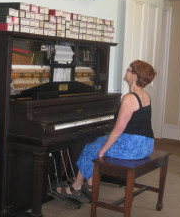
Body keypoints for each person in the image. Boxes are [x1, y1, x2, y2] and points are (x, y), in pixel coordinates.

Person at [56, 60, 156, 200]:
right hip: (146, 144)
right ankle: (90, 183)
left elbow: (117, 130)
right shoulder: (144, 95)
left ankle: (76, 186)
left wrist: (102, 150)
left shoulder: (129, 98)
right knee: (97, 140)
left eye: (129, 69)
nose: (126, 71)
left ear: (134, 76)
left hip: (132, 147)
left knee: (91, 148)